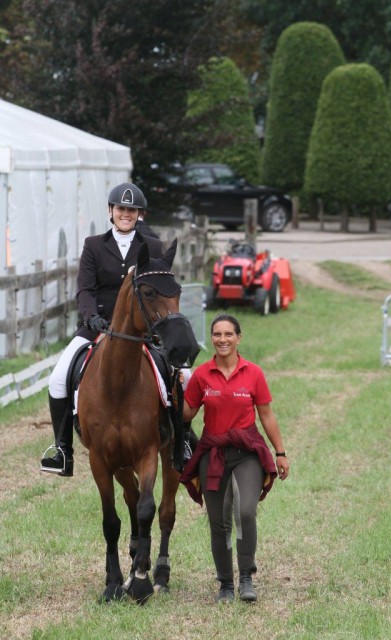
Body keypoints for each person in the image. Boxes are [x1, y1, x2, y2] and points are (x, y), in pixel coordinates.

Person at [40, 182, 164, 477]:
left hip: (139, 330)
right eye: (121, 208)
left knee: (178, 376)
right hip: (96, 326)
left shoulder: (153, 247)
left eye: (131, 210)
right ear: (111, 211)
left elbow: (159, 289)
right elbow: (85, 288)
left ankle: (180, 442)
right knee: (58, 380)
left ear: (139, 214)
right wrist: (90, 316)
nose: (125, 214)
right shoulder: (94, 245)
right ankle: (63, 451)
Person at [180, 313, 289, 604]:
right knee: (218, 521)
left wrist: (280, 452)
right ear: (212, 338)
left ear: (239, 338)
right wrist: (177, 387)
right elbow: (187, 414)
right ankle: (226, 585)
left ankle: (246, 579)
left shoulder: (253, 372)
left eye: (229, 334)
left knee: (245, 512)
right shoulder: (202, 375)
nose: (222, 339)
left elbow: (266, 414)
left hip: (246, 453)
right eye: (217, 334)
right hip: (213, 454)